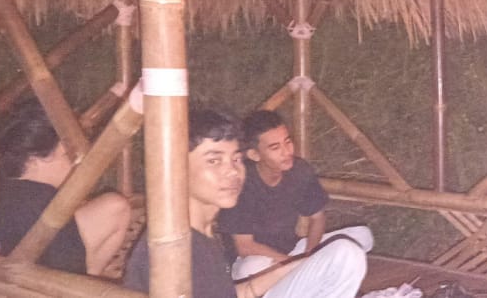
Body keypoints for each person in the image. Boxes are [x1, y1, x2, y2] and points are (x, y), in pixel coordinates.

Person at [123, 108, 366, 298]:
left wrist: (304, 264)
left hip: (272, 264)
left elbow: (241, 292)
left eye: (236, 159)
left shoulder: (202, 236)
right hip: (255, 262)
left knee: (344, 252)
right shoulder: (172, 246)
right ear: (176, 170)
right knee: (345, 255)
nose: (232, 171)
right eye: (214, 161)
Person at [221, 110, 373, 280]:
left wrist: (309, 254)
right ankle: (306, 278)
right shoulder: (241, 183)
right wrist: (294, 263)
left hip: (292, 251)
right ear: (254, 155)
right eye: (275, 147)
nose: (286, 152)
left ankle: (302, 277)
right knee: (251, 268)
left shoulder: (299, 171)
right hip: (256, 259)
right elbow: (245, 247)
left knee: (361, 236)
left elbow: (317, 218)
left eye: (287, 142)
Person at [0, 99, 130, 276]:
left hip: (28, 274)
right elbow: (65, 262)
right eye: (67, 156)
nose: (73, 164)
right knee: (114, 205)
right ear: (33, 160)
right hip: (42, 282)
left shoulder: (10, 191)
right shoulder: (39, 198)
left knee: (113, 206)